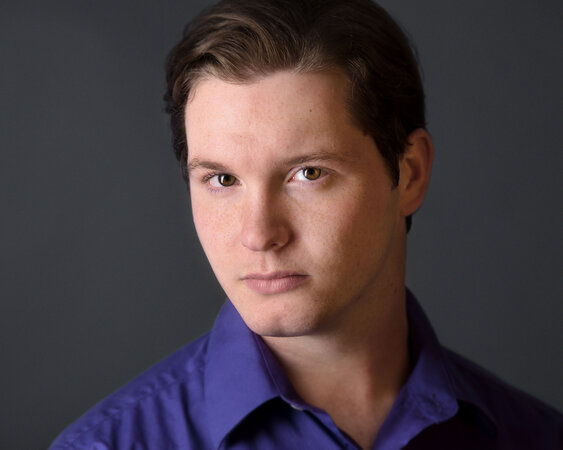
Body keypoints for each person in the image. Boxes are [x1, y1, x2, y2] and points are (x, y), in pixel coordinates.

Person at [50, 0, 562, 448]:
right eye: (223, 180)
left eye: (309, 173)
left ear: (409, 174)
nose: (259, 235)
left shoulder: (537, 438)